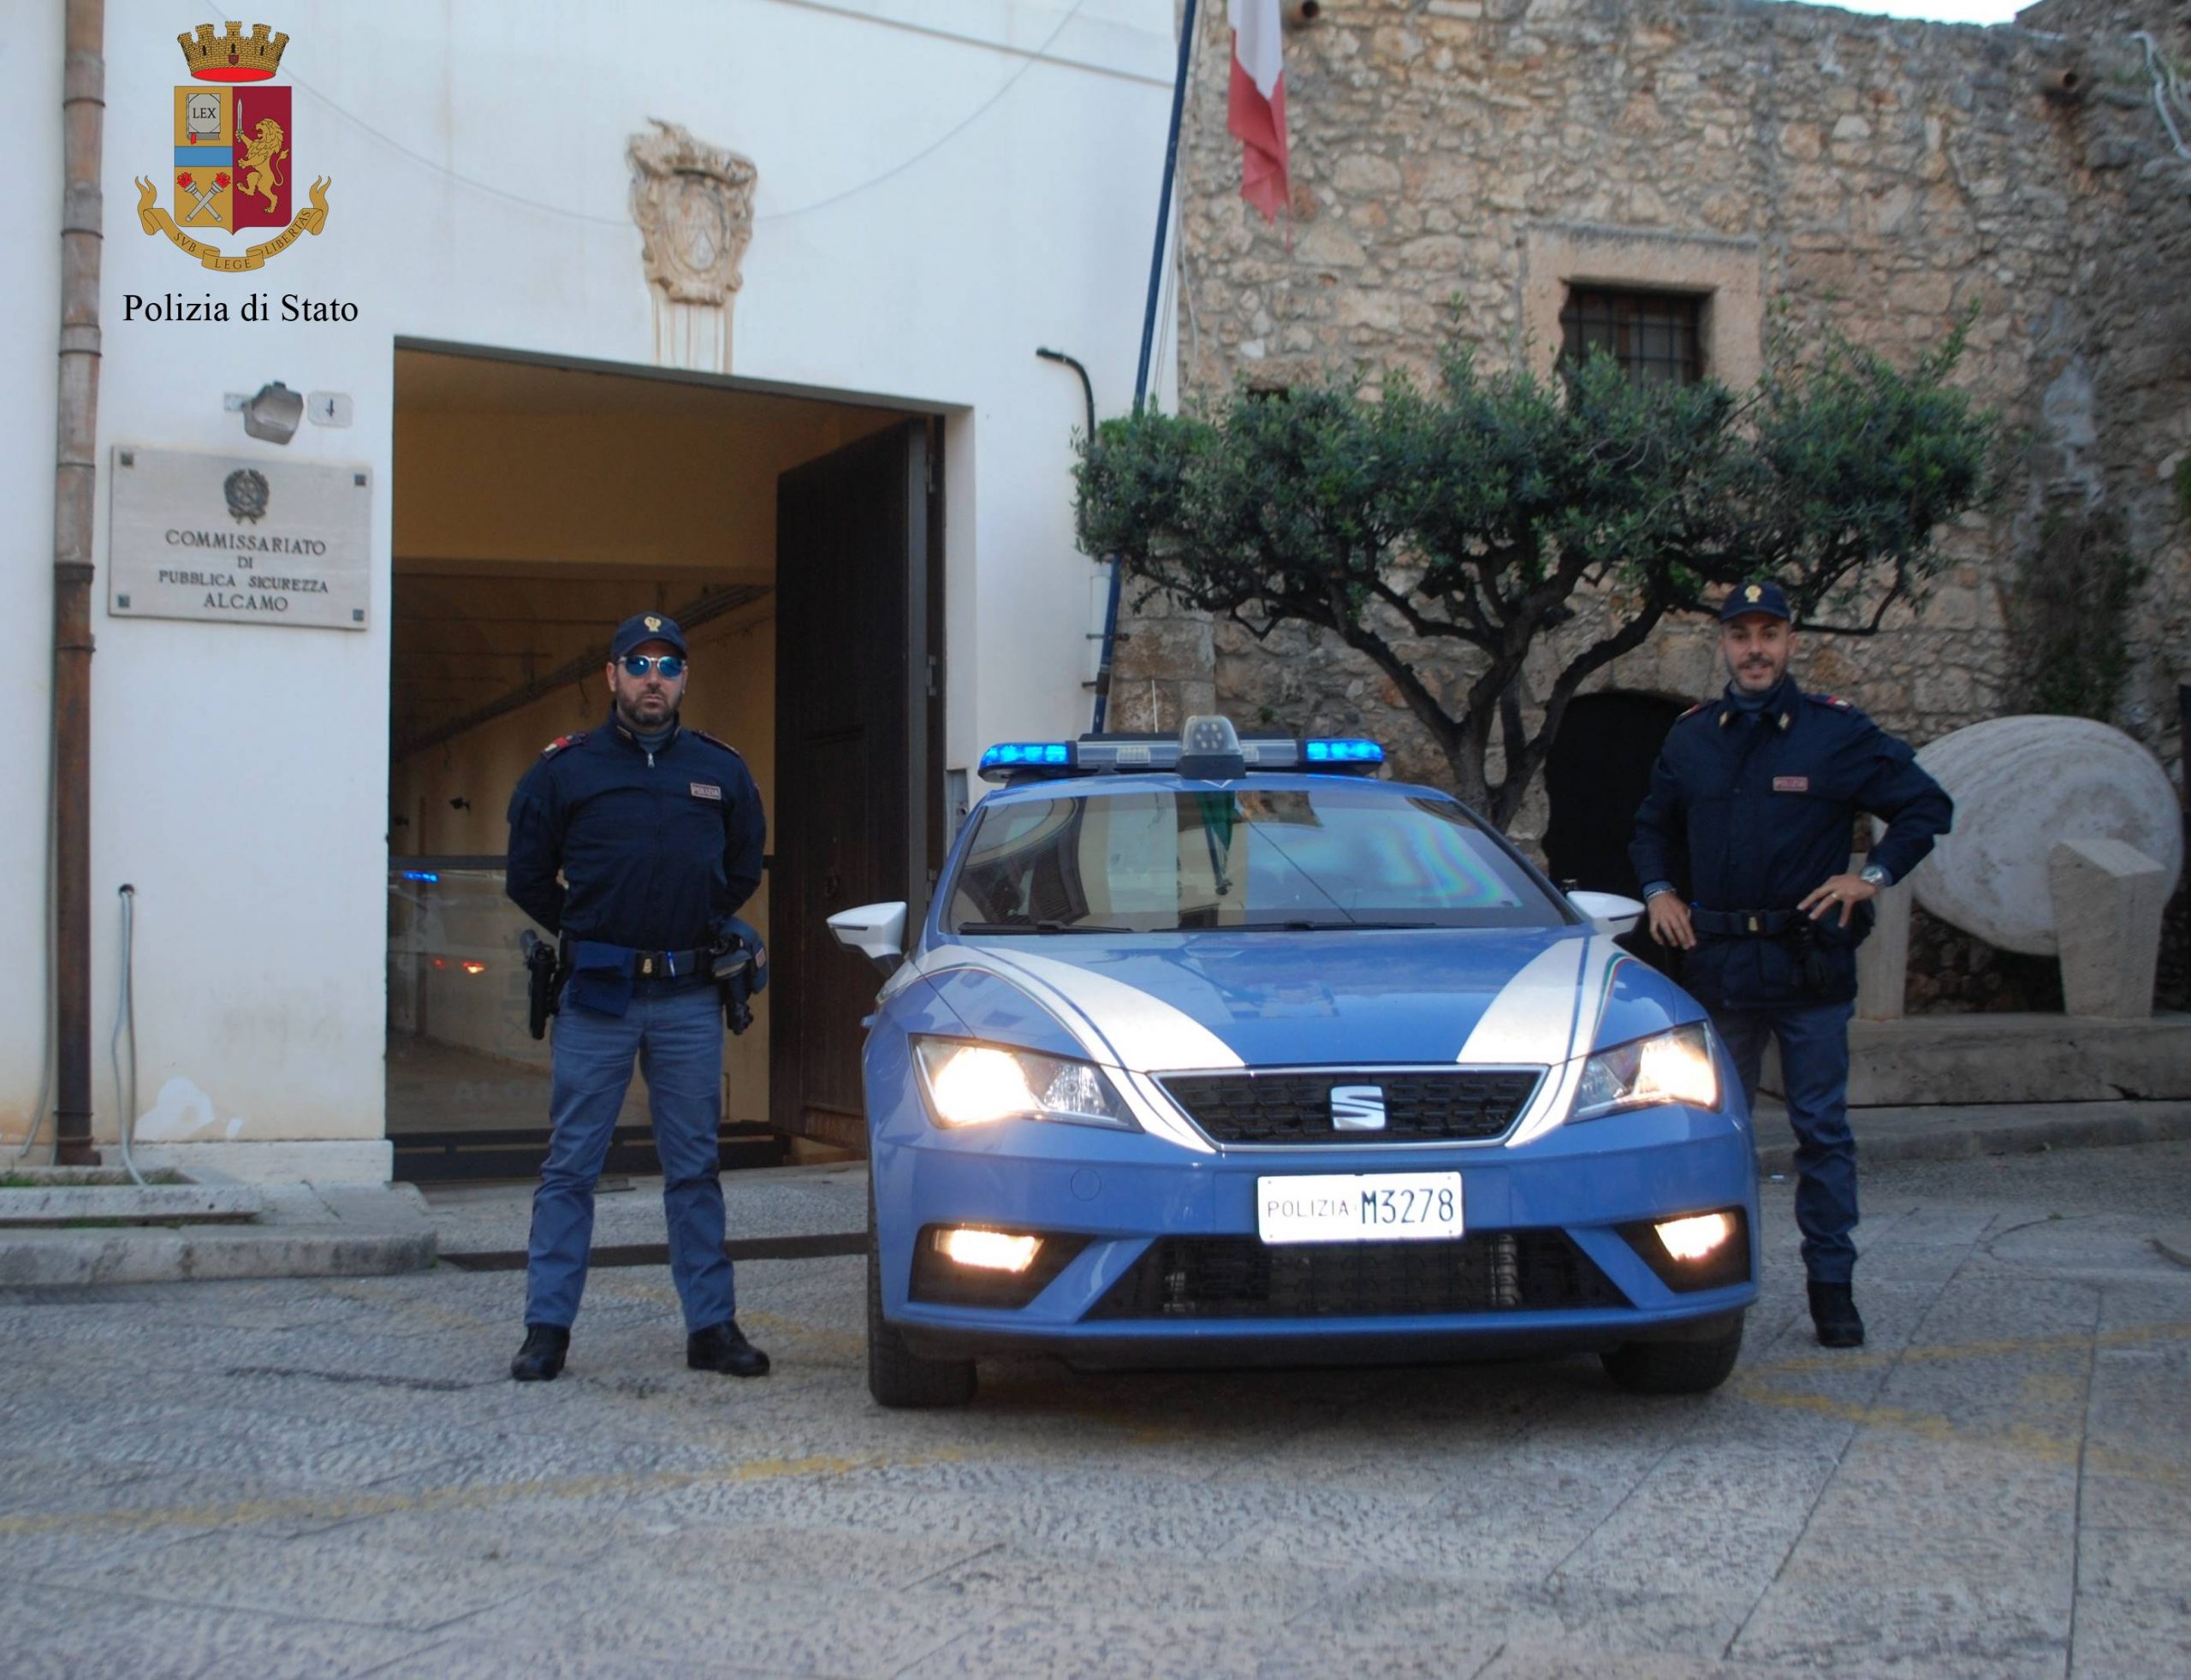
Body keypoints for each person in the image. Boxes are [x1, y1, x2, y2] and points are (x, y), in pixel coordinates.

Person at [1630, 581, 1951, 1349]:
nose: (1755, 649)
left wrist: (1868, 877)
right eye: (1741, 635)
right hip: (1721, 969)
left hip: (1808, 966)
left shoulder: (1835, 733)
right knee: (1708, 1135)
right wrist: (1658, 889)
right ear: (1724, 647)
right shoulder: (1692, 737)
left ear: (1791, 641)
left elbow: (1926, 806)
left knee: (1821, 1132)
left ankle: (1831, 1288)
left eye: (1768, 633)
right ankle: (1704, 1286)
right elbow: (1650, 826)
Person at [502, 612, 770, 1382]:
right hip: (597, 998)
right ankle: (546, 1329)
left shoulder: (720, 771)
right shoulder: (565, 770)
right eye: (638, 662)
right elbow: (527, 876)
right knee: (571, 1168)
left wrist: (700, 919)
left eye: (667, 663)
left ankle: (712, 1328)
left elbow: (742, 868)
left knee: (694, 1167)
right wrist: (589, 930)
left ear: (684, 678)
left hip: (688, 997)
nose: (653, 676)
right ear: (611, 676)